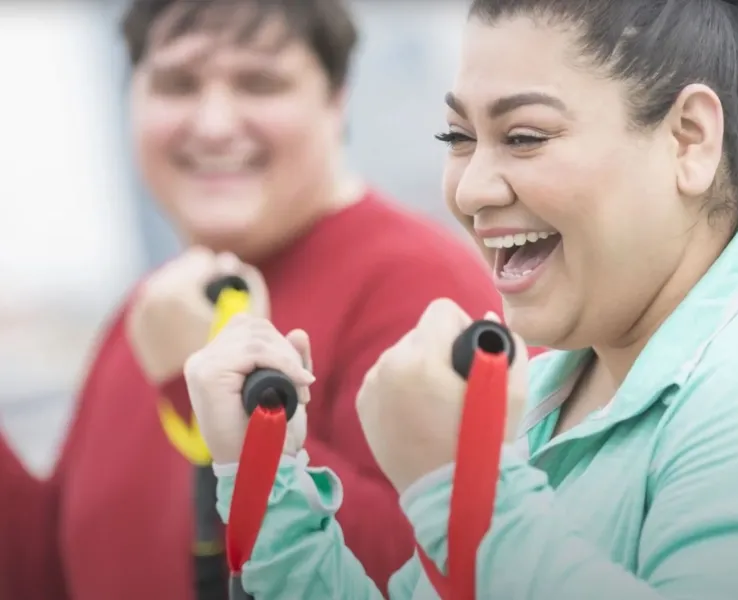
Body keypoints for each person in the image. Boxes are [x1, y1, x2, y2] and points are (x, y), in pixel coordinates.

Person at [185, 0, 738, 598]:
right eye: (457, 136)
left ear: (689, 139)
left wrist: (458, 489)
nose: (470, 189)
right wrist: (266, 478)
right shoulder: (548, 383)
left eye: (525, 136)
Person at [0, 1, 516, 599]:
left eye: (259, 82)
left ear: (337, 99)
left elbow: (440, 571)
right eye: (177, 84)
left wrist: (197, 392)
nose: (214, 123)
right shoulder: (154, 306)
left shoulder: (421, 288)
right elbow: (51, 573)